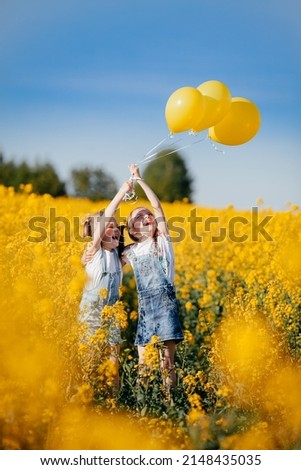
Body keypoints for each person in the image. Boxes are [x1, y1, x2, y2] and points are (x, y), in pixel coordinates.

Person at [122, 164, 184, 390]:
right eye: (139, 216)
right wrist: (121, 194)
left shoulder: (162, 240)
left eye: (147, 214)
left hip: (165, 306)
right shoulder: (129, 252)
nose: (147, 215)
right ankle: (142, 407)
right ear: (133, 230)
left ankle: (170, 403)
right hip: (146, 309)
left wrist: (139, 180)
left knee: (166, 364)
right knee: (143, 364)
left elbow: (157, 207)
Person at [79, 179, 133, 391]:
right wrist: (122, 192)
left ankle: (113, 402)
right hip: (91, 313)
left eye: (117, 228)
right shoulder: (94, 252)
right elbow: (105, 220)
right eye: (110, 227)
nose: (116, 230)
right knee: (90, 359)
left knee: (113, 361)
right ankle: (87, 398)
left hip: (112, 313)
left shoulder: (120, 259)